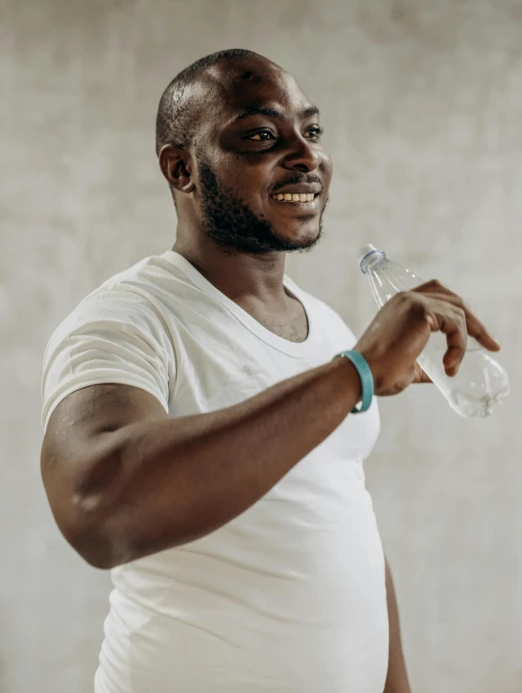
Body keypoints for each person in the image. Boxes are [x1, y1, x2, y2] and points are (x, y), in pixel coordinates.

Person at [40, 49, 500, 693]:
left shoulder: (328, 327)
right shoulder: (128, 319)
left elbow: (341, 520)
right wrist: (357, 372)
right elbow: (97, 509)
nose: (306, 156)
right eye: (260, 136)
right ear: (181, 168)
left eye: (311, 132)